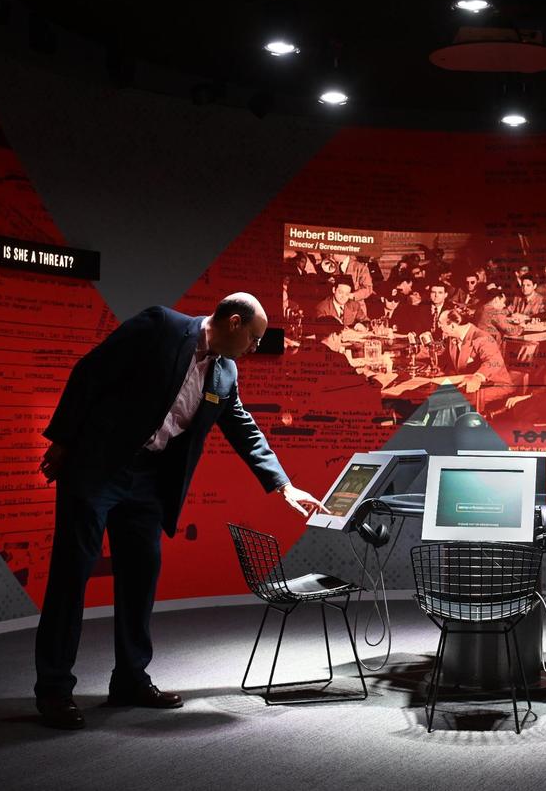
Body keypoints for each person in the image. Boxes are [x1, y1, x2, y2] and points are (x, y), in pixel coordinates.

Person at [34, 296, 327, 730]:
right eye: (253, 337)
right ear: (233, 322)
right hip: (97, 468)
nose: (254, 346)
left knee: (141, 576)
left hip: (148, 481)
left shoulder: (226, 372)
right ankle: (55, 691)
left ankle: (130, 679)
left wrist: (282, 485)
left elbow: (243, 427)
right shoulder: (160, 326)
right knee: (72, 574)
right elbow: (90, 373)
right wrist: (63, 441)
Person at [437, 309, 515, 406]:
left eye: (440, 323)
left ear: (452, 326)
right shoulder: (453, 336)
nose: (439, 326)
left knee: (447, 401)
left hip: (494, 386)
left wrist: (477, 377)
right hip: (467, 385)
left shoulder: (482, 338)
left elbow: (494, 361)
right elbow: (438, 350)